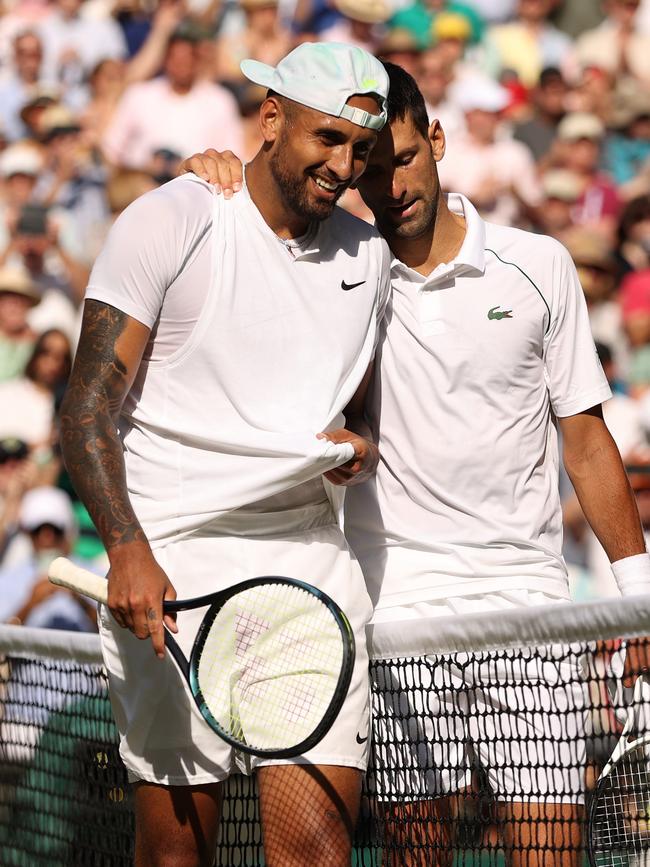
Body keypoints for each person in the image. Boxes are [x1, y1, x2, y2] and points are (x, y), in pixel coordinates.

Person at [181, 60, 650, 867]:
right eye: (370, 169)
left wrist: (638, 589)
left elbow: (584, 435)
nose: (389, 184)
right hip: (394, 612)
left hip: (528, 605)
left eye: (402, 158)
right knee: (414, 856)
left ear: (435, 140)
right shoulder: (336, 267)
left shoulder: (537, 266)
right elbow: (246, 225)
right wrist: (205, 176)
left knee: (549, 854)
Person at [59, 41, 392, 867]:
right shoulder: (169, 218)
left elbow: (356, 416)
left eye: (359, 149)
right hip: (170, 571)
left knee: (315, 851)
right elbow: (87, 406)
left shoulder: (371, 258)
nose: (343, 165)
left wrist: (357, 447)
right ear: (271, 118)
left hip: (310, 575)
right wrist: (128, 549)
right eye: (327, 139)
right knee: (175, 855)